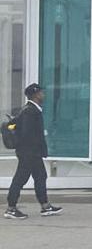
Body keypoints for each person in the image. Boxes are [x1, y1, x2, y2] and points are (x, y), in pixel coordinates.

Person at [4, 84, 62, 219]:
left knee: (41, 177)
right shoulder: (30, 111)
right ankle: (11, 208)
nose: (43, 95)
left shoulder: (30, 109)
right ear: (36, 95)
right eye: (41, 92)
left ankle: (45, 206)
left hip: (32, 153)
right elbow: (27, 133)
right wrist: (35, 149)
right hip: (29, 153)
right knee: (20, 179)